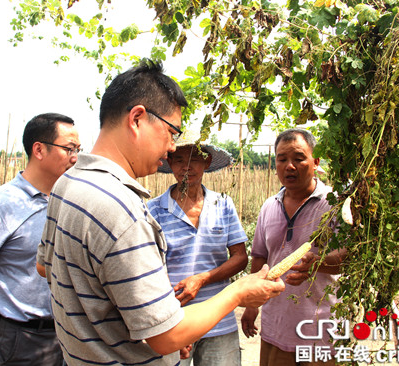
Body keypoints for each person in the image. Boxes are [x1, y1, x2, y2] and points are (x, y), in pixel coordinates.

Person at [36, 59, 285, 366]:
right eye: (171, 132)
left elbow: (45, 267)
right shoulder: (121, 209)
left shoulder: (67, 184)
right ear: (137, 119)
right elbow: (167, 336)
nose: (171, 149)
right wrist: (239, 293)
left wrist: (141, 306)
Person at [0, 113, 81, 365]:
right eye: (69, 149)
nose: (75, 157)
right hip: (25, 339)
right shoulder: (1, 207)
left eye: (78, 149)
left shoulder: (70, 199)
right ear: (39, 150)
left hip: (71, 334)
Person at [240, 128, 346, 366]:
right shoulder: (269, 206)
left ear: (316, 162)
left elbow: (351, 256)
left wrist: (319, 263)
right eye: (282, 159)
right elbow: (259, 258)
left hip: (321, 329)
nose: (289, 166)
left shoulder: (334, 204)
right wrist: (251, 305)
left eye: (298, 158)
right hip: (276, 327)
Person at [148, 130, 247, 366]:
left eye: (194, 159)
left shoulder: (222, 204)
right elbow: (149, 270)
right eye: (179, 160)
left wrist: (202, 279)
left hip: (218, 320)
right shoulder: (153, 210)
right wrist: (165, 319)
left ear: (207, 162)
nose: (186, 167)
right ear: (169, 162)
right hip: (172, 321)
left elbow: (240, 257)